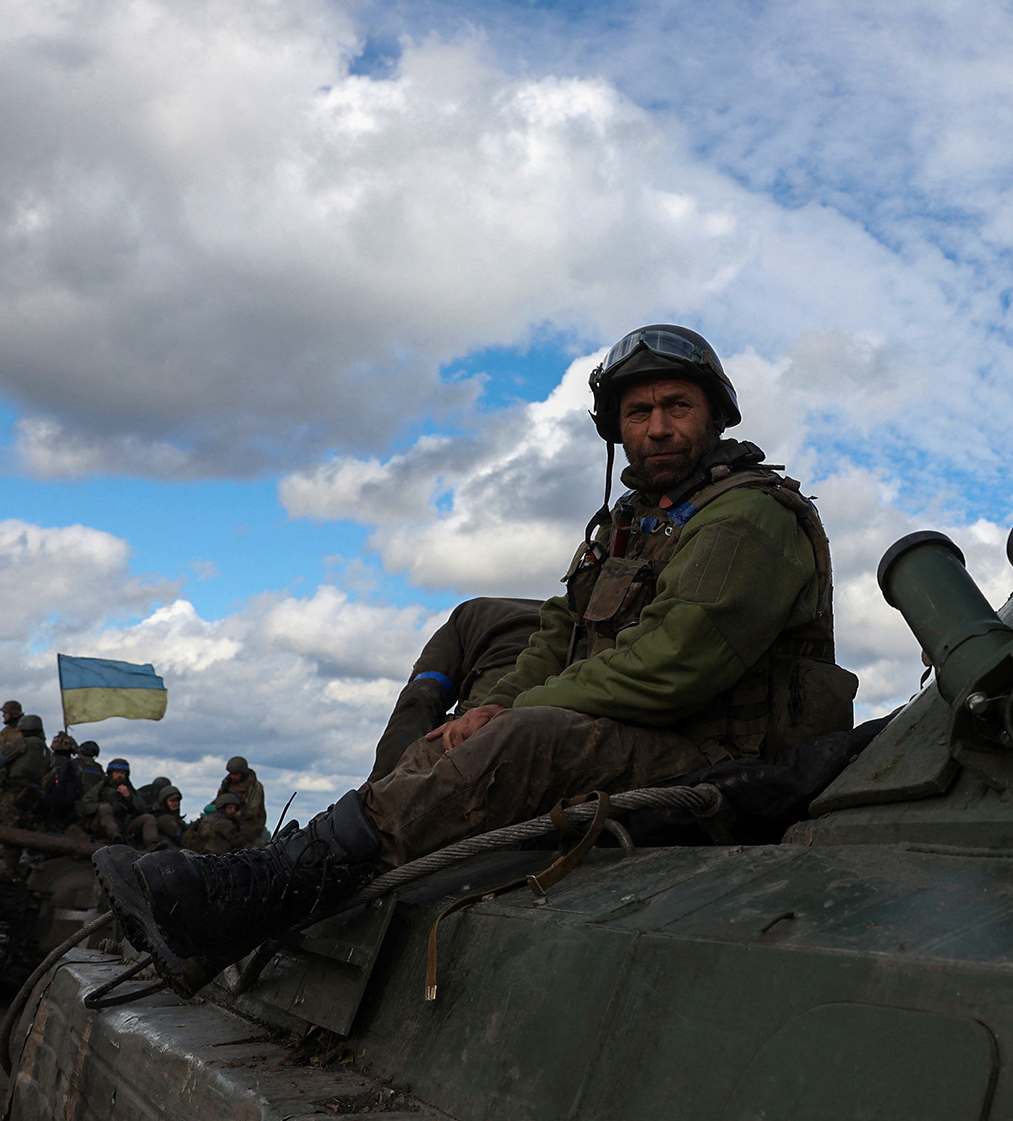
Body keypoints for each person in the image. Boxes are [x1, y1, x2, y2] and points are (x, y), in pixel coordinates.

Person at [97, 324, 855, 996]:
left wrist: (513, 713)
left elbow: (674, 663)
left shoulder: (747, 516)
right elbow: (555, 636)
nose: (657, 427)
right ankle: (233, 921)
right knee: (454, 736)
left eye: (677, 407)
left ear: (714, 415)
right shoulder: (623, 527)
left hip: (721, 760)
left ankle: (255, 887)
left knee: (520, 741)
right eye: (639, 412)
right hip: (641, 739)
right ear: (616, 429)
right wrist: (487, 707)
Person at [368, 598, 547, 783]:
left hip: (500, 679)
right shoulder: (564, 615)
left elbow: (420, 696)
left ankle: (371, 804)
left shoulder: (464, 617)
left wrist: (378, 783)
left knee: (458, 734)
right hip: (563, 679)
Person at [0, 715, 51, 827]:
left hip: (14, 792)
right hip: (33, 795)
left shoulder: (22, 743)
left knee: (4, 826)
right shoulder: (46, 750)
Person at [80, 759, 151, 844]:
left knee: (148, 818)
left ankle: (151, 844)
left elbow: (142, 809)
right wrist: (104, 806)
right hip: (102, 825)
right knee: (105, 808)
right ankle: (115, 835)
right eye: (117, 772)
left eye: (122, 773)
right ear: (111, 773)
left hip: (124, 824)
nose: (119, 775)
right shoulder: (101, 788)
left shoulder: (130, 790)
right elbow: (85, 805)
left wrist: (128, 797)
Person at [213, 758, 268, 847]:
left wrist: (233, 814)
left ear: (242, 773)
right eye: (231, 774)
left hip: (249, 821)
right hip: (228, 817)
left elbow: (251, 810)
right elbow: (219, 799)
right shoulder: (228, 782)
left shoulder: (255, 787)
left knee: (241, 843)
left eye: (235, 774)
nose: (232, 777)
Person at [40, 733, 86, 832]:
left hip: (46, 806)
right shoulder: (76, 768)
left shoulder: (49, 762)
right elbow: (80, 791)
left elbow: (42, 783)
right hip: (68, 810)